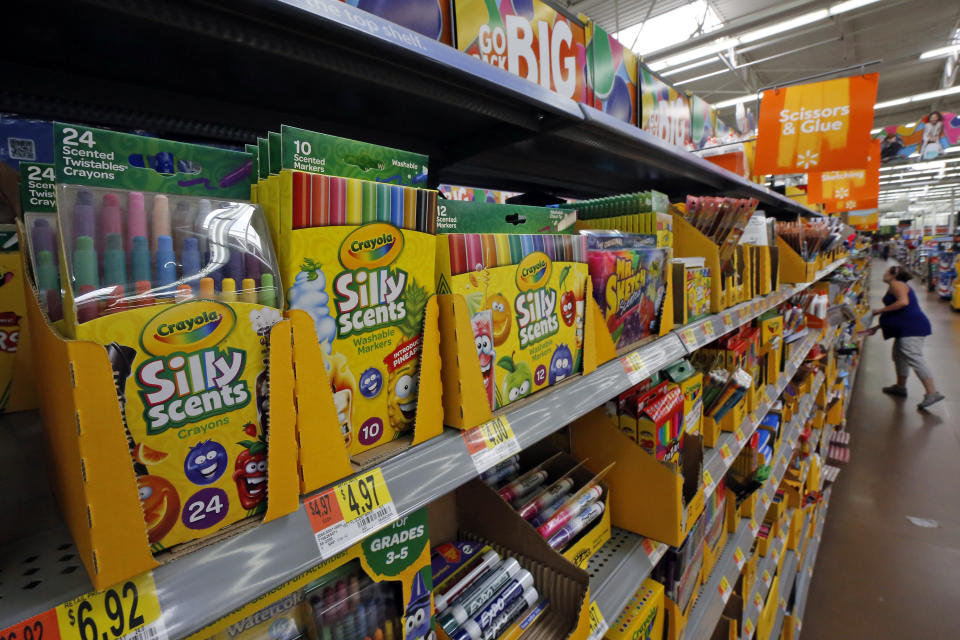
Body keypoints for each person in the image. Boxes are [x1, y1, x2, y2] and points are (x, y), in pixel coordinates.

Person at [864, 264, 943, 409]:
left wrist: (879, 311)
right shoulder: (895, 285)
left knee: (914, 356)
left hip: (912, 327)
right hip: (905, 326)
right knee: (899, 356)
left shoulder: (897, 284)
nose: (884, 274)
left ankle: (932, 392)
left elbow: (903, 303)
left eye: (887, 271)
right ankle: (900, 387)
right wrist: (876, 327)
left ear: (894, 274)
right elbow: (895, 311)